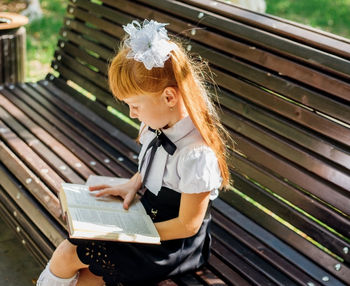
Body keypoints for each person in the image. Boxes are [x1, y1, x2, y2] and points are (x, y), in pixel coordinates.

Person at [36, 19, 231, 286]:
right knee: (74, 265)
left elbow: (188, 226)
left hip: (171, 244)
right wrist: (134, 183)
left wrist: (127, 232)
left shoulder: (196, 155)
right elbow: (155, 165)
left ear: (169, 97)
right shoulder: (158, 123)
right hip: (146, 221)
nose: (132, 113)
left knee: (70, 255)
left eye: (135, 105)